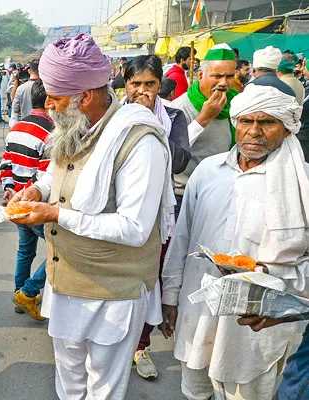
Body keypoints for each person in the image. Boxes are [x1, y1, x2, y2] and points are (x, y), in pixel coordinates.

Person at [10, 33, 174, 400]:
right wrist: (37, 190)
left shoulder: (137, 140)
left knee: (104, 387)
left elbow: (133, 229)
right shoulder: (77, 124)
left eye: (54, 97)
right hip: (66, 279)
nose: (47, 105)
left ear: (84, 97)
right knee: (69, 378)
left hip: (112, 292)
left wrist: (55, 213)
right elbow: (60, 171)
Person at [162, 80, 305, 400]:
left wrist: (266, 273)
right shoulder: (208, 171)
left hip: (256, 325)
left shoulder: (301, 185)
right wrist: (170, 295)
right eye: (246, 121)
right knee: (196, 392)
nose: (254, 131)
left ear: (287, 128)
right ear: (235, 123)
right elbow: (182, 237)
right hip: (198, 313)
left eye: (267, 122)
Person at [123, 54, 191, 380]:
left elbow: (179, 162)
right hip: (120, 214)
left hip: (159, 216)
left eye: (149, 84)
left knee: (151, 281)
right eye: (135, 84)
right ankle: (117, 343)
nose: (141, 91)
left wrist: (150, 125)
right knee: (122, 281)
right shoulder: (113, 116)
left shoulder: (173, 117)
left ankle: (141, 345)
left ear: (159, 85)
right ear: (125, 85)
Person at [0, 79, 52, 321]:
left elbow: (6, 163)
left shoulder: (16, 128)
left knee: (25, 251)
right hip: (37, 206)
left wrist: (9, 190)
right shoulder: (51, 133)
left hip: (17, 203)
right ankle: (28, 292)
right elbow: (44, 176)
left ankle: (19, 294)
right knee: (58, 252)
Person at [171, 44, 238, 206]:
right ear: (200, 75)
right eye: (217, 76)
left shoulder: (236, 104)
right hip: (185, 194)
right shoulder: (180, 108)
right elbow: (172, 154)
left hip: (223, 190)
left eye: (229, 76)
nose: (223, 83)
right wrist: (203, 119)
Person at [10, 60, 40, 127]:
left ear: (29, 71)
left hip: (26, 124)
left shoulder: (21, 88)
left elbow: (15, 109)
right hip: (44, 126)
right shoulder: (47, 87)